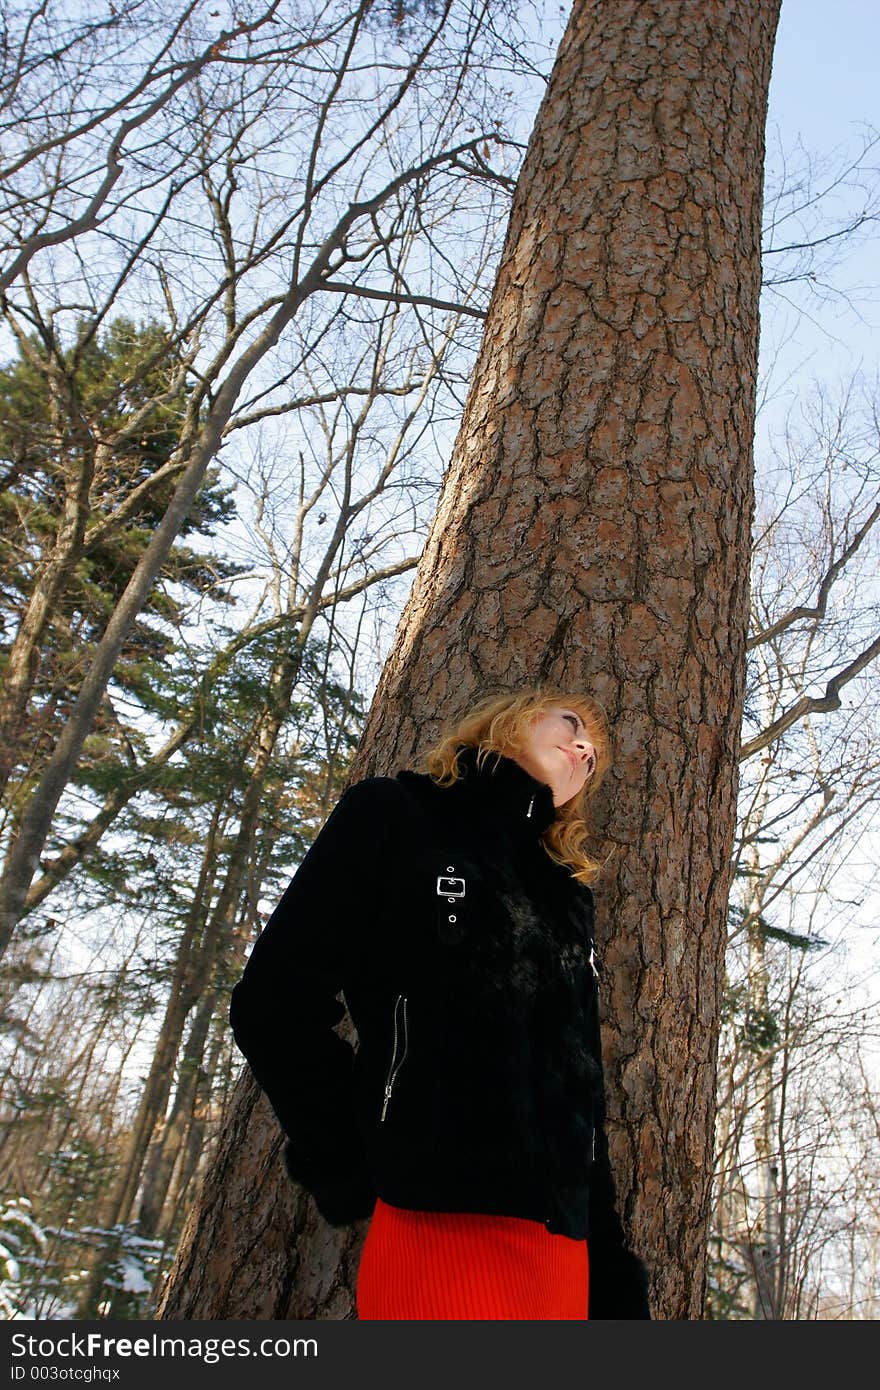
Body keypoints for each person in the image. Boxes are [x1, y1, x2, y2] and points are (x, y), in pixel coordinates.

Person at [229, 686, 651, 1319]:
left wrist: (611, 1271)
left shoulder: (567, 897)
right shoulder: (396, 815)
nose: (585, 748)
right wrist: (352, 1153)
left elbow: (580, 1087)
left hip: (564, 1254)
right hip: (437, 1223)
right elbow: (275, 1000)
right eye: (570, 724)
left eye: (593, 757)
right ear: (508, 720)